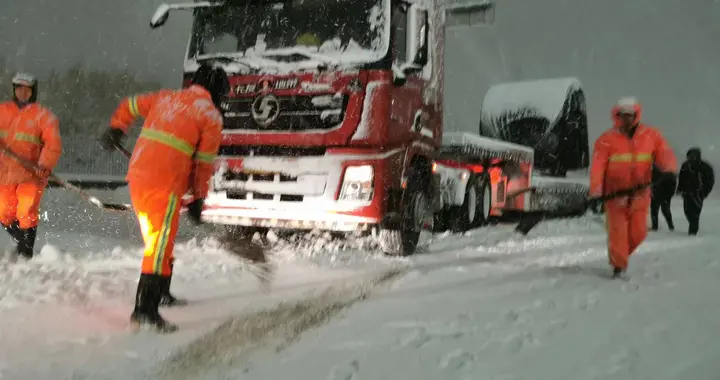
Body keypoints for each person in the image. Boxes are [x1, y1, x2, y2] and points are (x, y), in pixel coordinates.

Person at [99, 65, 229, 333]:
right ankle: (144, 310)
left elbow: (129, 104)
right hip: (166, 183)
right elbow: (204, 164)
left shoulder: (166, 97)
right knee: (159, 244)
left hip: (138, 175)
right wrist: (198, 198)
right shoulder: (211, 116)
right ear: (217, 92)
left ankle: (161, 293)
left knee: (162, 237)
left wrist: (117, 128)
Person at [589, 97, 677, 278]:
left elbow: (664, 153)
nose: (626, 119)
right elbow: (597, 167)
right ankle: (618, 266)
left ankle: (619, 255)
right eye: (623, 115)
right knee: (617, 233)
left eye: (630, 115)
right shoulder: (606, 139)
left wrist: (669, 169)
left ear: (636, 115)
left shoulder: (651, 135)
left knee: (639, 232)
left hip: (640, 193)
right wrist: (596, 192)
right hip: (614, 196)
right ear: (617, 116)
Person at [0, 72, 62, 260]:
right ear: (14, 90)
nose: (22, 93)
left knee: (26, 212)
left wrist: (44, 165)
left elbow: (53, 144)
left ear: (33, 92)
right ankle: (22, 243)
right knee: (4, 213)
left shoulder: (43, 116)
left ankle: (25, 254)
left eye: (27, 89)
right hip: (4, 174)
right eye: (19, 88)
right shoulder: (2, 111)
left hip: (31, 174)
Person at [676, 147, 714, 235]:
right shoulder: (685, 165)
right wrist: (679, 189)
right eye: (689, 156)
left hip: (698, 194)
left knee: (695, 213)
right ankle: (692, 225)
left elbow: (710, 180)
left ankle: (692, 232)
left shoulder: (705, 167)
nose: (690, 157)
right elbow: (681, 178)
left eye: (692, 155)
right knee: (687, 211)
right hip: (687, 193)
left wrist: (704, 192)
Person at [650, 165, 676, 231]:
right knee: (659, 211)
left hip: (662, 194)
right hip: (658, 194)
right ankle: (668, 225)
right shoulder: (667, 173)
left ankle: (657, 227)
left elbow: (672, 184)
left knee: (658, 211)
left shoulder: (667, 173)